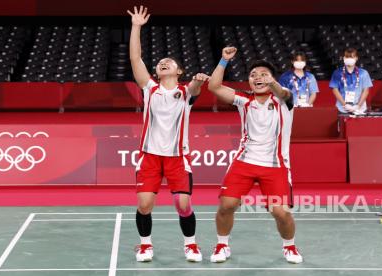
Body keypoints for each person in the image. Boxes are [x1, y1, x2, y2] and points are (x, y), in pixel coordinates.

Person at [127, 5, 209, 262]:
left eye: (169, 63)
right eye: (161, 63)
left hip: (177, 158)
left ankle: (191, 245)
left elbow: (195, 89)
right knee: (144, 205)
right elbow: (135, 59)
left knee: (183, 205)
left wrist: (197, 80)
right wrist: (136, 26)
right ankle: (145, 245)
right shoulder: (149, 89)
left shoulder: (185, 93)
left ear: (179, 72)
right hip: (149, 156)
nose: (163, 63)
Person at [207, 46, 303, 264]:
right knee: (226, 205)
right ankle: (222, 244)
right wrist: (223, 60)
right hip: (244, 162)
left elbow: (283, 93)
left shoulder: (284, 99)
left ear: (272, 79)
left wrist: (272, 83)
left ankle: (290, 247)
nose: (257, 78)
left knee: (281, 213)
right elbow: (213, 86)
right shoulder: (244, 99)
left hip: (276, 165)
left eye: (263, 75)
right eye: (253, 75)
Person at [329, 48, 373, 114]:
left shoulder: (363, 73)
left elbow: (366, 90)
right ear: (344, 58)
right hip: (342, 109)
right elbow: (335, 90)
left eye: (352, 57)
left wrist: (358, 105)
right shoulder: (337, 73)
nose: (349, 59)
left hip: (360, 109)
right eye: (347, 57)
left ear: (356, 58)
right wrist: (345, 105)